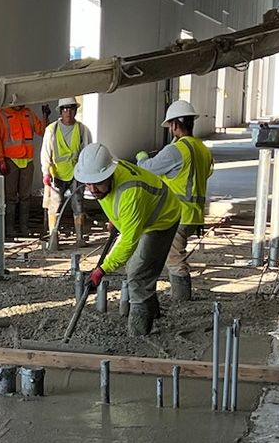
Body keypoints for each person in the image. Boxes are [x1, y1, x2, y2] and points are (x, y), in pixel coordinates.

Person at [75, 142, 182, 336]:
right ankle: (153, 313)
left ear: (109, 174)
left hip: (162, 218)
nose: (92, 188)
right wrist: (116, 220)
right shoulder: (107, 181)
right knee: (138, 269)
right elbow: (112, 202)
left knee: (137, 275)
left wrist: (101, 270)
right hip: (144, 214)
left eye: (97, 182)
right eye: (88, 183)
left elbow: (128, 242)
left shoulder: (130, 193)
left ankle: (139, 333)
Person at [140, 97, 214, 302]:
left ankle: (181, 298)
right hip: (195, 214)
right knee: (174, 253)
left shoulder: (177, 150)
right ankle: (179, 294)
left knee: (174, 258)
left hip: (178, 213)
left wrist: (142, 158)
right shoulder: (202, 149)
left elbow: (148, 169)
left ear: (174, 125)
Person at [42, 97, 89, 248]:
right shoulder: (52, 129)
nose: (68, 112)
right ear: (61, 112)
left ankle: (80, 237)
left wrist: (87, 173)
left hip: (77, 172)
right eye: (65, 109)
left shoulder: (82, 129)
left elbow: (87, 152)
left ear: (75, 110)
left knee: (78, 204)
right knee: (54, 206)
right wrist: (45, 172)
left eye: (71, 109)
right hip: (57, 174)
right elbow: (46, 152)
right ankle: (53, 238)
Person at [0, 100, 42, 237]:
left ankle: (24, 228)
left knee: (25, 196)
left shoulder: (29, 114)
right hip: (10, 161)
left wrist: (46, 117)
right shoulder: (2, 115)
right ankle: (9, 229)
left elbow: (41, 130)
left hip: (28, 160)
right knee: (10, 197)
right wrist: (1, 160)